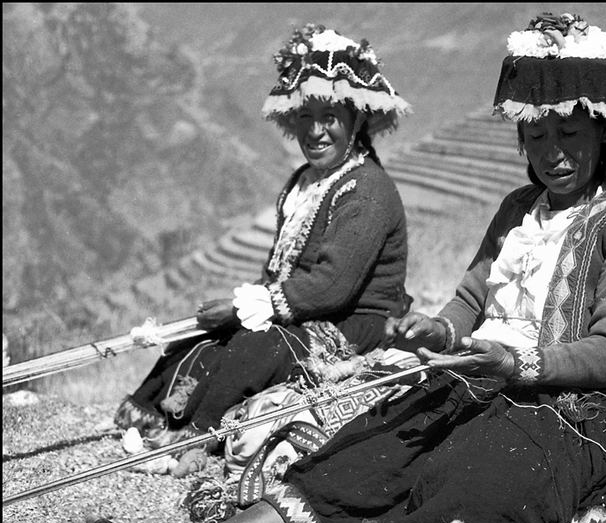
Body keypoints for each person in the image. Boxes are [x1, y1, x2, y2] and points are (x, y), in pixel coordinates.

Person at [86, 13, 606, 523]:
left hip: (593, 404)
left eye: (571, 133)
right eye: (536, 134)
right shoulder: (516, 209)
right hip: (489, 378)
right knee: (365, 449)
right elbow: (472, 300)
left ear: (605, 131)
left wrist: (517, 362)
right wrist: (439, 330)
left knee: (481, 465)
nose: (553, 152)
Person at [112, 23, 412, 455]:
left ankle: (197, 438)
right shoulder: (304, 182)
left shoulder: (367, 190)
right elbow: (280, 269)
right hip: (308, 309)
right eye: (305, 117)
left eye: (329, 117)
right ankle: (154, 415)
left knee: (256, 348)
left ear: (356, 118)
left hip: (355, 323)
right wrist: (245, 310)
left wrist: (250, 308)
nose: (315, 131)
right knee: (202, 337)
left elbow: (332, 286)